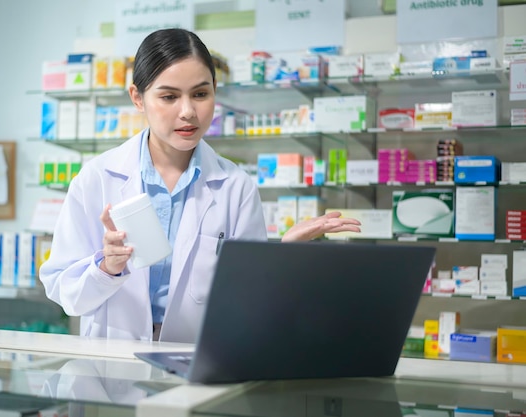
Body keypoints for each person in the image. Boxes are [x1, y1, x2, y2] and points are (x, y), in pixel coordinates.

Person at [39, 28, 361, 343]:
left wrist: (281, 256)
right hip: (112, 363)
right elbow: (63, 291)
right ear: (138, 98)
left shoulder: (235, 187)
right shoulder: (97, 178)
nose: (188, 112)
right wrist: (106, 268)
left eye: (200, 94)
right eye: (169, 97)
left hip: (197, 360)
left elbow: (250, 302)